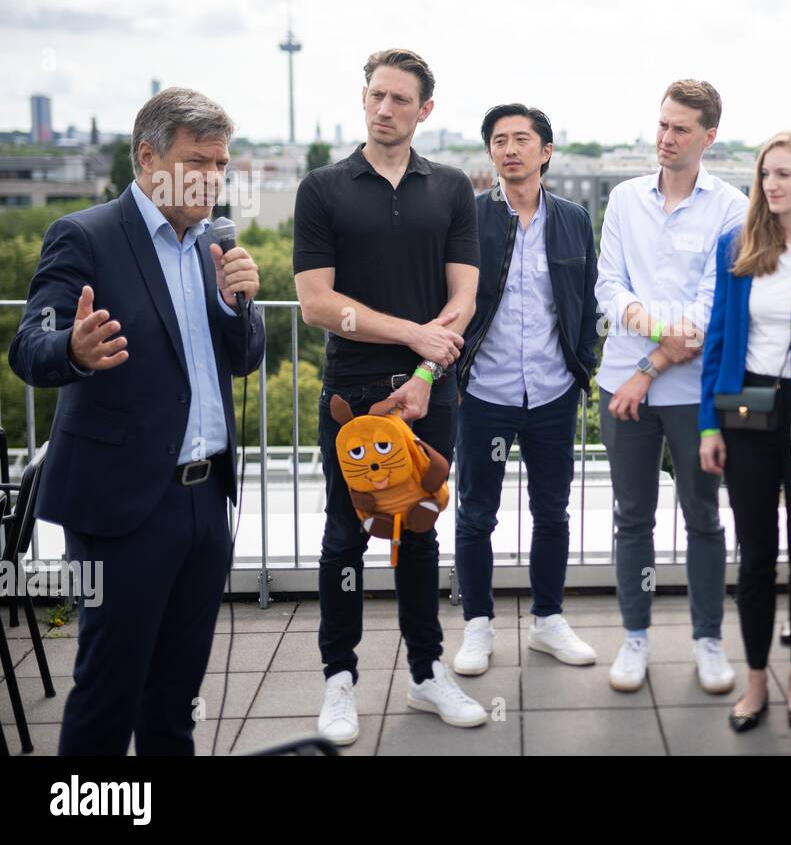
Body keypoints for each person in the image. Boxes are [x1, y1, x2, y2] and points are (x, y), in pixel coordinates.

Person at [8, 87, 266, 754]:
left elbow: (244, 360)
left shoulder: (214, 244)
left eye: (221, 164)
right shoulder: (86, 235)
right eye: (198, 161)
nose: (212, 178)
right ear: (149, 158)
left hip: (207, 503)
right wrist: (72, 347)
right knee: (107, 695)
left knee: (176, 699)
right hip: (124, 509)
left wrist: (242, 304)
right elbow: (28, 345)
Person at [294, 48, 485, 745]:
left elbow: (464, 295)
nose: (384, 109)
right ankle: (339, 680)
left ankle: (427, 670)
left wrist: (426, 372)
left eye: (401, 99)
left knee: (419, 532)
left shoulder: (453, 188)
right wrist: (412, 334)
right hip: (353, 394)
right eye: (376, 95)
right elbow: (316, 304)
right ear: (363, 98)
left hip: (431, 394)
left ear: (424, 110)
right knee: (345, 538)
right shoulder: (323, 187)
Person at [595, 79, 748, 694]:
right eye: (662, 124)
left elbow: (714, 305)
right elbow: (609, 286)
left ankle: (708, 641)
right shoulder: (624, 198)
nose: (665, 137)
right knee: (631, 517)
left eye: (680, 128)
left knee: (704, 517)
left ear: (708, 136)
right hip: (621, 385)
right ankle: (635, 638)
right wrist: (658, 329)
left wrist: (650, 365)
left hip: (689, 392)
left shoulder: (731, 207)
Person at [698, 130, 791, 732]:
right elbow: (716, 337)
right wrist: (710, 423)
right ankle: (756, 679)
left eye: (786, 174)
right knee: (756, 554)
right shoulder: (737, 243)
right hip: (749, 411)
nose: (773, 185)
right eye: (766, 175)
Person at [451, 103, 599, 674]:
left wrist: (580, 367)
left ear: (546, 151)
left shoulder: (574, 220)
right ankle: (478, 626)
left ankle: (548, 620)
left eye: (521, 139)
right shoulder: (469, 216)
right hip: (483, 392)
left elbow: (584, 301)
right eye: (499, 141)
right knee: (475, 514)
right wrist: (452, 376)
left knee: (553, 511)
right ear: (490, 153)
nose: (509, 149)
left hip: (551, 391)